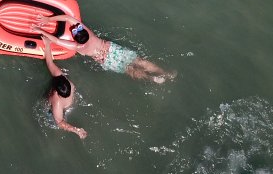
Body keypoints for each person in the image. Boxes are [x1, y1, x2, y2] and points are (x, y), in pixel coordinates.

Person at [35, 15, 177, 84]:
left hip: (107, 60)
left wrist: (41, 29)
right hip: (113, 50)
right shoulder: (87, 32)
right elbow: (67, 18)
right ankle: (164, 73)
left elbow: (58, 40)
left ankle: (152, 78)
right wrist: (49, 20)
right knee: (140, 61)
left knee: (131, 70)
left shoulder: (80, 47)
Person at [41, 37, 87, 139]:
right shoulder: (68, 83)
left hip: (59, 111)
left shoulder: (56, 101)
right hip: (66, 101)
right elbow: (50, 63)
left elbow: (60, 122)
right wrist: (47, 44)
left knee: (47, 112)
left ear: (56, 91)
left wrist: (76, 130)